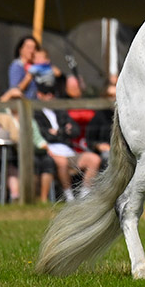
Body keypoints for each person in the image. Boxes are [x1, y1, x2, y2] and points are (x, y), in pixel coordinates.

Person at [33, 73, 101, 202]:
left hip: (69, 151)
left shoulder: (60, 111)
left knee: (94, 159)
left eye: (52, 92)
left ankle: (84, 196)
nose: (50, 96)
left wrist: (57, 132)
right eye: (46, 92)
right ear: (39, 94)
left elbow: (75, 130)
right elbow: (44, 135)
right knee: (62, 162)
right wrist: (64, 131)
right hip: (51, 152)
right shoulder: (35, 113)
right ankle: (69, 197)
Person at [3, 35, 38, 100]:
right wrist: (28, 77)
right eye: (29, 47)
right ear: (20, 50)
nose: (32, 51)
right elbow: (14, 91)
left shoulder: (36, 66)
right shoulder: (17, 66)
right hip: (24, 105)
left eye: (34, 48)